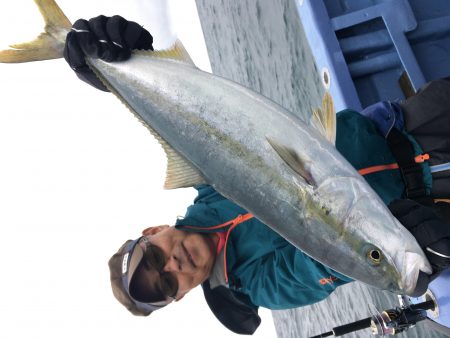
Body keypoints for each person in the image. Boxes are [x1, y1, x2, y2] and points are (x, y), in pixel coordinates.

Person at [64, 15, 450, 334]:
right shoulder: (260, 284)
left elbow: (184, 108)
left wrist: (111, 62)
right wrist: (399, 263)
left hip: (405, 126)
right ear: (179, 295)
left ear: (152, 232)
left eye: (154, 258)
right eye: (167, 283)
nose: (172, 266)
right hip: (429, 205)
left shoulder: (205, 181)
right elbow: (321, 264)